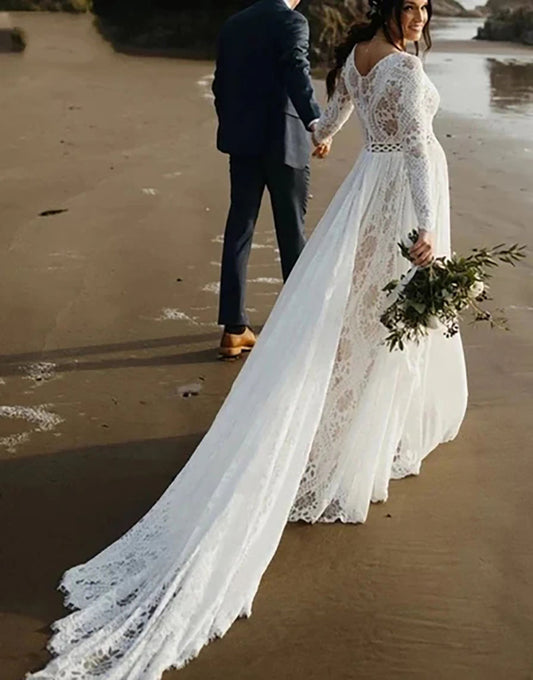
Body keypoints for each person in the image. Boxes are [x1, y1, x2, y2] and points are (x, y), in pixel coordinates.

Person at [27, 1, 468, 678]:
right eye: (409, 5)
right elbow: (410, 146)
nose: (419, 16)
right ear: (387, 9)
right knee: (378, 319)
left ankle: (331, 413)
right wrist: (429, 226)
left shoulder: (351, 57)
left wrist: (319, 133)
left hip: (356, 189)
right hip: (401, 195)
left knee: (355, 314)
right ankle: (354, 444)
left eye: (425, 7)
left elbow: (331, 117)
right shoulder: (402, 68)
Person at [212, 0, 327, 358]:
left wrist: (233, 124)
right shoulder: (292, 21)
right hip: (284, 141)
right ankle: (299, 324)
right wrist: (316, 122)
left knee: (240, 228)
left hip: (243, 141)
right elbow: (297, 69)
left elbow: (220, 85)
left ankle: (233, 330)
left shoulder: (235, 23)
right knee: (291, 231)